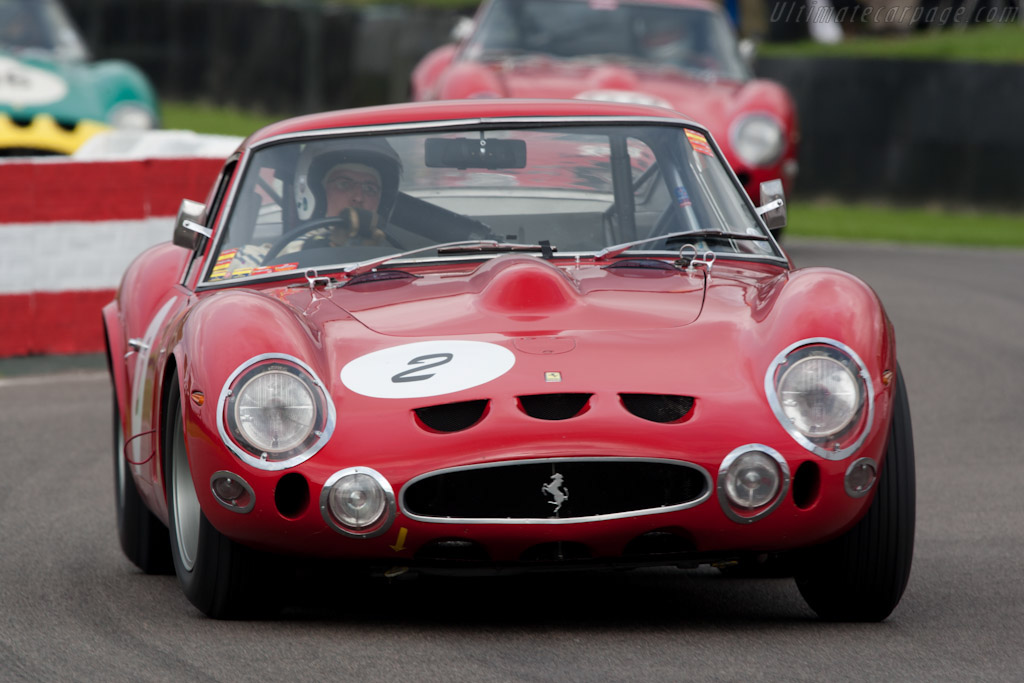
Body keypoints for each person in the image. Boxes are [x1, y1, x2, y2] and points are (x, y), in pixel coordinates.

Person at [288, 135, 404, 250]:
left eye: (370, 189)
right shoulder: (290, 255)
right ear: (317, 193)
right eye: (344, 184)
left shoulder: (398, 254)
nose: (358, 197)